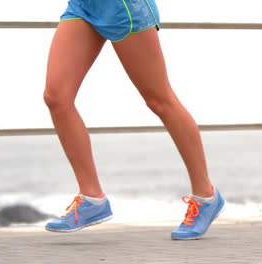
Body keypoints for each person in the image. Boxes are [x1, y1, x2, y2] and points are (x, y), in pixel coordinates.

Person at [43, 0, 225, 240]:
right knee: (56, 98)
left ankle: (205, 197)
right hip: (84, 6)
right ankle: (92, 199)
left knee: (159, 100)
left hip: (125, 8)